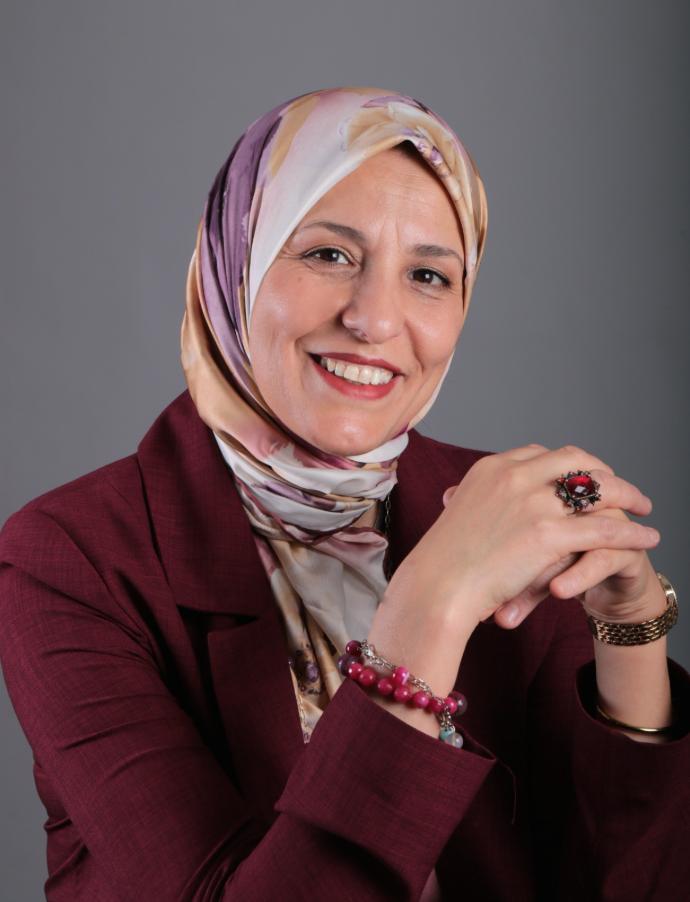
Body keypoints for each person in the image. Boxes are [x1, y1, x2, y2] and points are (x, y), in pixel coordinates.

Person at [0, 85, 688, 901]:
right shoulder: (70, 557)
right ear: (234, 263)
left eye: (428, 274)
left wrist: (629, 628)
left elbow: (627, 881)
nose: (375, 319)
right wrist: (432, 604)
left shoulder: (502, 510)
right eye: (329, 255)